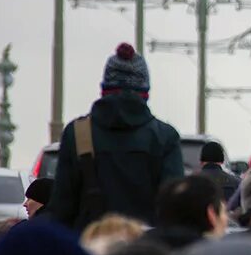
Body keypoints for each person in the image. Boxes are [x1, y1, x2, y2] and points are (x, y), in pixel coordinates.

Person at [43, 43, 184, 232]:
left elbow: (62, 207)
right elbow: (175, 209)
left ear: (104, 89)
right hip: (147, 246)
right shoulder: (164, 137)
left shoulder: (77, 134)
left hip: (87, 244)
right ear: (145, 92)